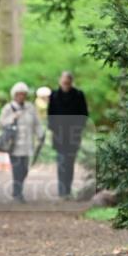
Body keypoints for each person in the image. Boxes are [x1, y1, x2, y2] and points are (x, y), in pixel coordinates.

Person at [0, 82, 44, 203]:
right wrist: (12, 117)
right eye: (19, 94)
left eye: (23, 94)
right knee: (17, 169)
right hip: (13, 145)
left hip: (27, 144)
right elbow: (1, 123)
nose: (21, 96)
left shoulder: (30, 108)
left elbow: (37, 123)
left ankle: (18, 191)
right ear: (14, 95)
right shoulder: (9, 108)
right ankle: (17, 193)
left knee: (24, 170)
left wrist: (40, 134)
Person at [47, 71, 89, 199]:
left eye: (68, 82)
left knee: (69, 162)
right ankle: (62, 191)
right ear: (60, 81)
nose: (66, 84)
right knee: (61, 162)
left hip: (73, 135)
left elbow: (84, 114)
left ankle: (67, 190)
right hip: (59, 135)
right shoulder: (54, 95)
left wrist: (78, 129)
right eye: (64, 82)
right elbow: (50, 115)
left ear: (71, 82)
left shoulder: (79, 95)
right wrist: (53, 129)